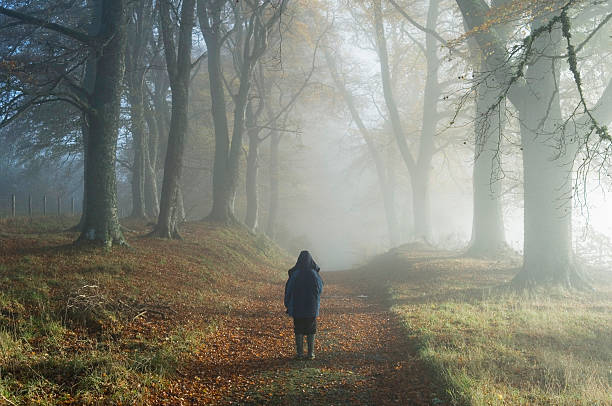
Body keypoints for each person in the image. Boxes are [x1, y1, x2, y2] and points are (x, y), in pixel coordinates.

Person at [284, 250, 323, 360]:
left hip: (297, 306)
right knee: (311, 328)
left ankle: (300, 354)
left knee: (298, 328)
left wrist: (287, 304)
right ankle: (310, 353)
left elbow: (289, 289)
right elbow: (320, 289)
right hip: (311, 306)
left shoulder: (295, 274)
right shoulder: (314, 274)